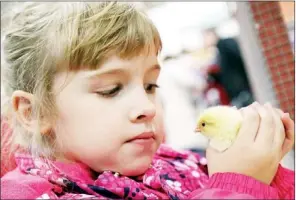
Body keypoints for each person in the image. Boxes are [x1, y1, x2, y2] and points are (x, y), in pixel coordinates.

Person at [1, 2, 295, 199]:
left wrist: (267, 171)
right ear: (34, 111)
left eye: (150, 85)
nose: (147, 107)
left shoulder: (176, 163)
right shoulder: (30, 194)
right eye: (112, 89)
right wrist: (236, 184)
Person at [203, 28, 254, 108]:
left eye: (205, 37)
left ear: (212, 35)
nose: (205, 41)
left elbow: (239, 59)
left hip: (242, 90)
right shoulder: (219, 50)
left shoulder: (225, 44)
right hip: (237, 92)